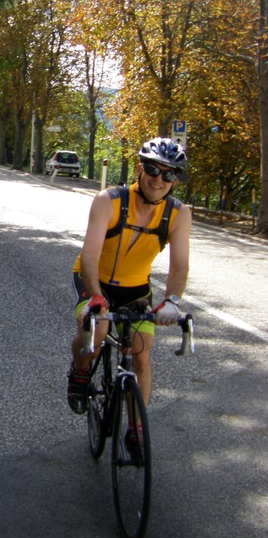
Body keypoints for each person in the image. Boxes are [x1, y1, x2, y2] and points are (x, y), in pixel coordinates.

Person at [68, 137, 191, 416]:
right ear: (140, 168)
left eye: (169, 173)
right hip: (94, 279)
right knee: (96, 330)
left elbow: (180, 265)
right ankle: (79, 370)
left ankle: (136, 431)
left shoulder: (179, 213)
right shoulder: (109, 200)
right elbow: (89, 256)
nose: (159, 179)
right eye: (153, 170)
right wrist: (96, 296)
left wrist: (172, 300)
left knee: (142, 355)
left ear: (176, 179)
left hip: (135, 288)